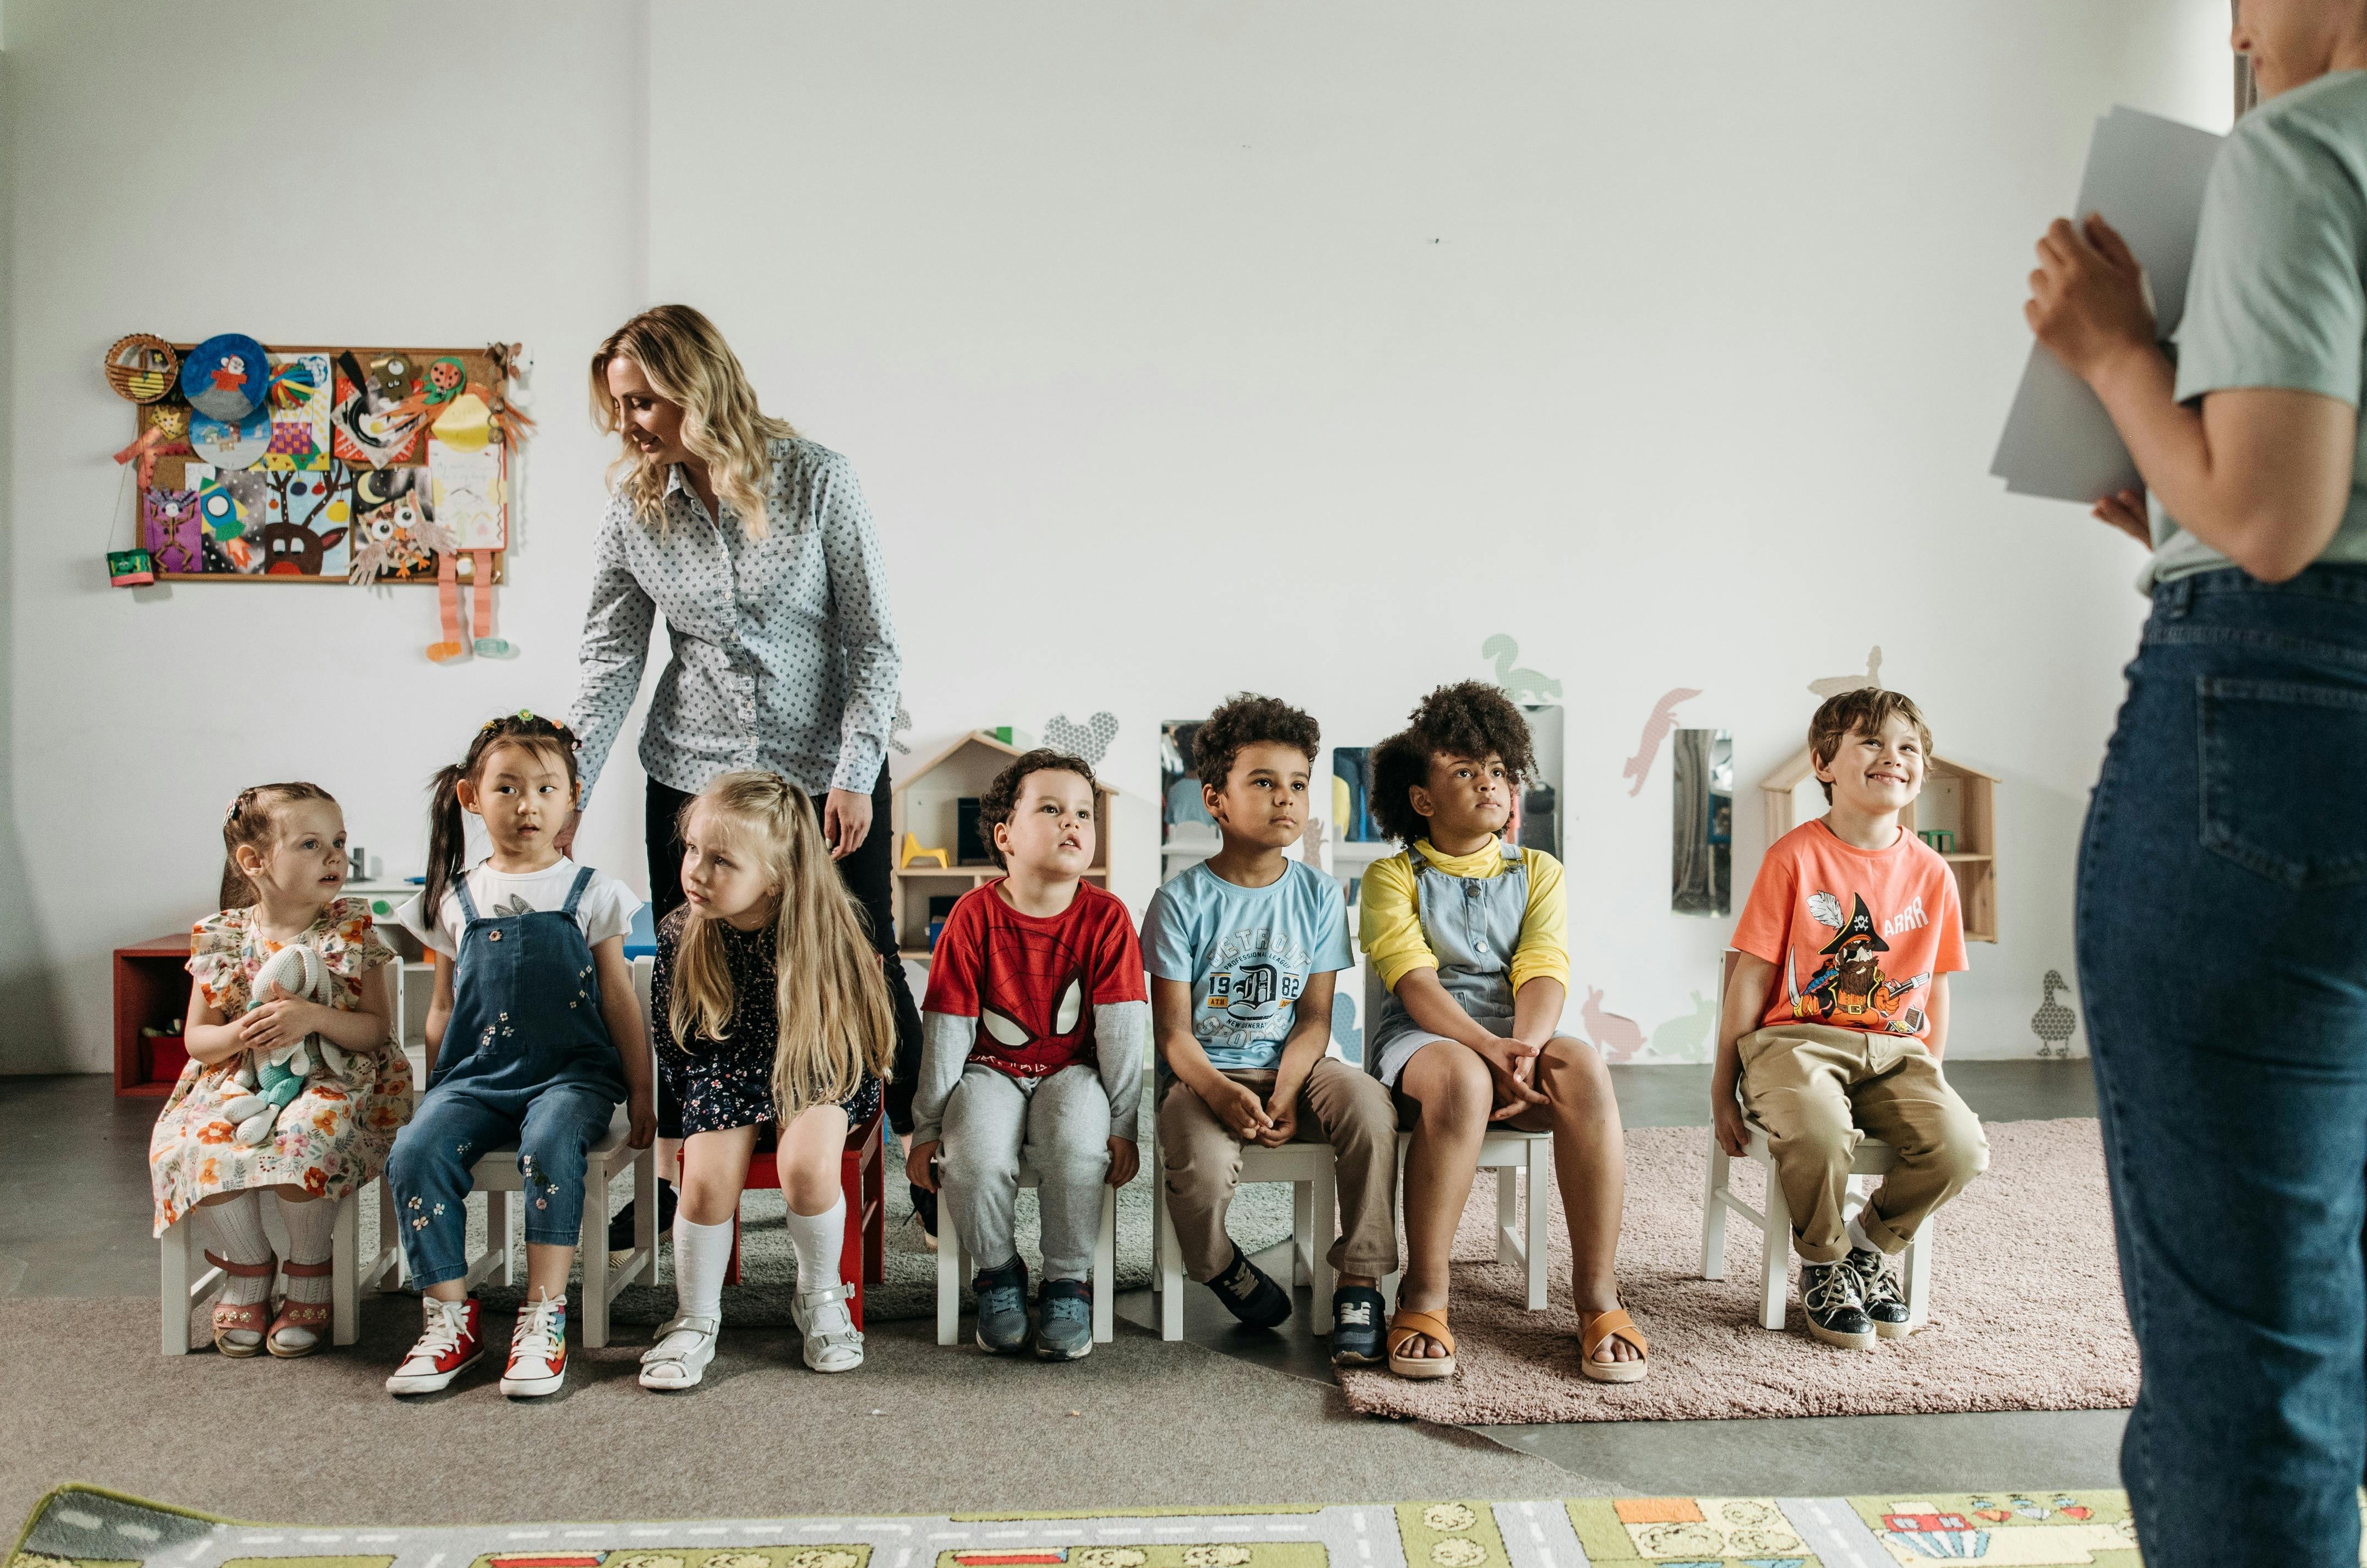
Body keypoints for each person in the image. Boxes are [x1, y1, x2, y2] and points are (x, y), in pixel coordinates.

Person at [2025, 3, 2367, 1557]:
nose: (2235, 19)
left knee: (2257, 1351)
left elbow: (2280, 525)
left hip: (2282, 727)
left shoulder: (2302, 150)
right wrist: (2179, 512)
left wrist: (2111, 350)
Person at [562, 304, 924, 1248]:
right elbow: (609, 658)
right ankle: (690, 1172)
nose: (631, 422)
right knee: (695, 962)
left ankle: (917, 1145)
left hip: (822, 772)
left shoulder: (817, 481)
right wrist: (570, 787)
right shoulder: (635, 506)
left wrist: (855, 771)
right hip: (695, 773)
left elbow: (874, 643)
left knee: (862, 953)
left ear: (701, 381)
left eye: (645, 400)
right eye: (621, 405)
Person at [1358, 681, 1644, 1383]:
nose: (1488, 782)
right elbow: (1413, 981)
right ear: (1422, 798)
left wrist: (1525, 1048)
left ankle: (1597, 1297)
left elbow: (1543, 967)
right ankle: (1425, 1294)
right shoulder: (1392, 875)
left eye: (1497, 770)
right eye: (1464, 770)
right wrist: (1487, 1051)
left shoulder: (1538, 870)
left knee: (1581, 1064)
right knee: (1459, 1076)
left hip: (1519, 1034)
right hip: (1425, 1042)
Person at [385, 713, 655, 1398]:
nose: (526, 805)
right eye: (506, 788)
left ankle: (543, 1313)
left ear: (572, 800)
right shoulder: (451, 898)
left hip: (572, 1077)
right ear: (472, 796)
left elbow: (622, 1002)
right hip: (475, 1077)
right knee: (415, 1151)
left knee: (551, 1139)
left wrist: (643, 1089)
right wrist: (436, 1094)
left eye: (544, 788)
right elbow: (443, 1004)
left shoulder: (593, 892)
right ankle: (450, 1318)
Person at [1713, 690, 1987, 1349]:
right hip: (1794, 1042)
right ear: (1823, 763)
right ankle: (1825, 1260)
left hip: (1896, 1051)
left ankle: (1867, 1245)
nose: (1892, 757)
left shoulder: (1932, 873)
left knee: (1960, 1146)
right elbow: (1750, 974)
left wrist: (1933, 1079)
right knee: (1817, 1130)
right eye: (1871, 741)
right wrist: (1722, 1087)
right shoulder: (1794, 857)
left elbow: (1936, 985)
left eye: (1907, 747)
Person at [1143, 694, 1395, 1369]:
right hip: (1203, 1075)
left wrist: (1286, 1091)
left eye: (1298, 784)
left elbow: (1313, 1020)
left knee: (1371, 1107)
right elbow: (1171, 1037)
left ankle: (1361, 1283)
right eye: (1263, 782)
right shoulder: (1178, 902)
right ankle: (1220, 1262)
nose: (1285, 798)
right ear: (1215, 800)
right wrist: (1223, 1095)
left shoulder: (1317, 895)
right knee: (1197, 1171)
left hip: (1295, 1067)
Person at [639, 771, 895, 1387]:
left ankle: (819, 1294)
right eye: (694, 849)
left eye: (721, 859)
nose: (695, 871)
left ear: (776, 875)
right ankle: (696, 1316)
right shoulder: (683, 931)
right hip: (725, 1066)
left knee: (807, 1168)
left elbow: (863, 1022)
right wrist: (677, 1127)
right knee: (701, 1183)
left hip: (818, 1060)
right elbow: (675, 1041)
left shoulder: (828, 926)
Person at [905, 750, 1147, 1360]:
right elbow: (948, 1031)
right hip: (989, 1069)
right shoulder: (972, 916)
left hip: (1076, 1071)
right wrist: (928, 1127)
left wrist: (1122, 1123)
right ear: (1004, 836)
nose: (1073, 822)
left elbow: (1120, 1032)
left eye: (1084, 813)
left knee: (1074, 1147)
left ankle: (1068, 1279)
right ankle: (998, 1273)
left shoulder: (1108, 918)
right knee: (975, 1156)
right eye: (1051, 808)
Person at [149, 783, 404, 1358]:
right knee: (192, 1144)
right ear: (254, 861)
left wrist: (312, 1016)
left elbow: (373, 1031)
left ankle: (310, 1269)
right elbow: (198, 1037)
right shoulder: (225, 935)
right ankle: (248, 1266)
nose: (335, 856)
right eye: (312, 843)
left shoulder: (352, 930)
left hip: (335, 1077)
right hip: (240, 1080)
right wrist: (240, 1033)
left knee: (305, 1135)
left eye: (339, 841)